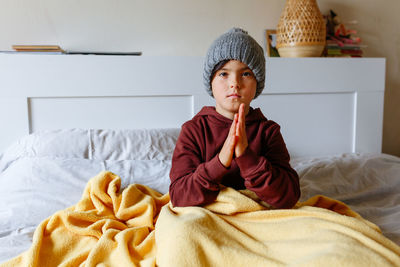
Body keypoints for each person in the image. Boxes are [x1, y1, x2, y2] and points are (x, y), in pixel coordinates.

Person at [169, 28, 300, 209]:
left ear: (257, 83)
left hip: (255, 216)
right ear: (211, 82)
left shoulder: (268, 131)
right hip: (208, 216)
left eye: (246, 74)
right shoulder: (194, 130)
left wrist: (246, 155)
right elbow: (179, 197)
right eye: (223, 74)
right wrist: (221, 160)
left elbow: (288, 197)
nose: (234, 84)